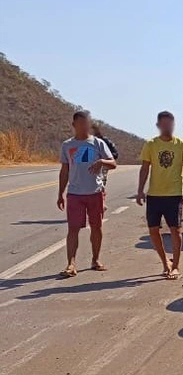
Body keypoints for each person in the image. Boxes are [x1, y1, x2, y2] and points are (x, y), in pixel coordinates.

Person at [136, 111, 183, 279]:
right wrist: (140, 191)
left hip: (174, 195)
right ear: (158, 126)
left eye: (170, 123)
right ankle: (165, 263)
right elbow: (145, 168)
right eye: (164, 123)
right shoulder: (151, 145)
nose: (167, 126)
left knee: (175, 230)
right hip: (154, 195)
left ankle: (175, 266)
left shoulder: (181, 145)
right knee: (153, 230)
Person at [57, 110, 117, 276]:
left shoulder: (97, 143)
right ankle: (71, 264)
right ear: (74, 125)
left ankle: (95, 259)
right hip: (75, 193)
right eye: (81, 123)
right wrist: (60, 193)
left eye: (87, 123)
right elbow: (64, 171)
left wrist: (102, 161)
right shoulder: (67, 145)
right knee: (73, 229)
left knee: (96, 227)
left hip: (95, 192)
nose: (84, 126)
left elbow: (113, 163)